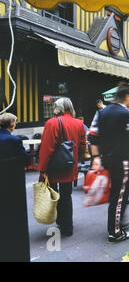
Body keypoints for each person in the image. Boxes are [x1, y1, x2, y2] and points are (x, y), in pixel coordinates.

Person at [89, 82, 129, 243]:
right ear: (127, 96)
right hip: (122, 159)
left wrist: (96, 158)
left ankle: (116, 226)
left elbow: (92, 136)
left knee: (115, 195)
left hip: (107, 159)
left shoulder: (102, 112)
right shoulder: (127, 114)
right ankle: (115, 232)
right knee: (119, 196)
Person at [38, 98, 86, 237]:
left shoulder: (52, 123)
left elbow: (47, 148)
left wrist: (43, 169)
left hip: (53, 165)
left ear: (58, 108)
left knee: (54, 192)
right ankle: (67, 227)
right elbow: (82, 146)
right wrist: (76, 159)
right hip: (69, 164)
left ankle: (59, 219)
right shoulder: (79, 123)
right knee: (66, 195)